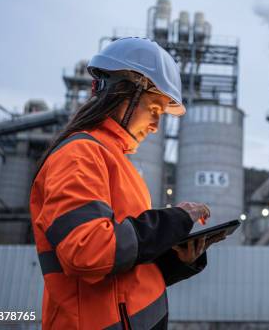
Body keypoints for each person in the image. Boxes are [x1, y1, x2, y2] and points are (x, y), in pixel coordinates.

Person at [30, 37, 223, 329]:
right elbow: (88, 252)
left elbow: (121, 272)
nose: (157, 126)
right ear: (125, 92)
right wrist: (174, 220)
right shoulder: (80, 154)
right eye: (156, 110)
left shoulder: (117, 163)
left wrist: (176, 260)